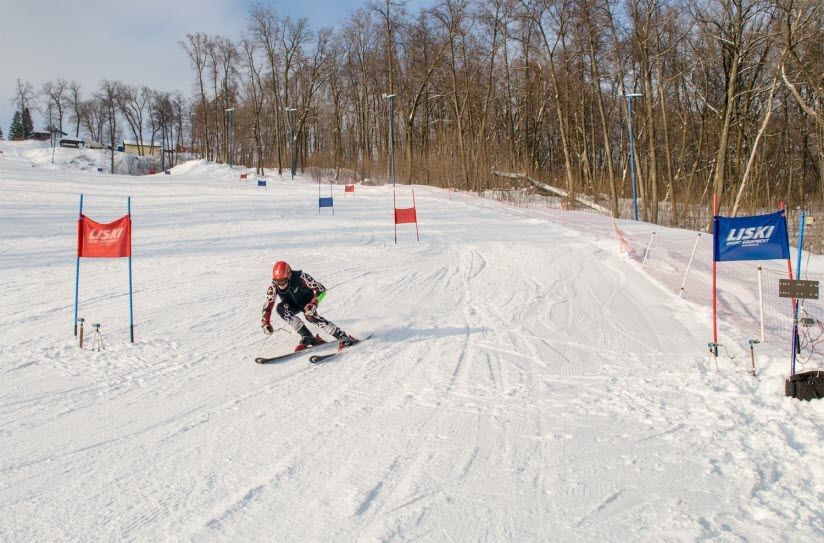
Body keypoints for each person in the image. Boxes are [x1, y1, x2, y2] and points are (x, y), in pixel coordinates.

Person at [261, 260, 358, 351]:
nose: (280, 285)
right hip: (292, 305)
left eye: (283, 281)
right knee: (281, 308)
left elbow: (321, 290)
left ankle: (342, 336)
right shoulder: (273, 287)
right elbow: (268, 306)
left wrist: (314, 302)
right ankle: (307, 336)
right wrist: (266, 323)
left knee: (310, 315)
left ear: (289, 276)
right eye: (277, 282)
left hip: (307, 301)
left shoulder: (301, 277)